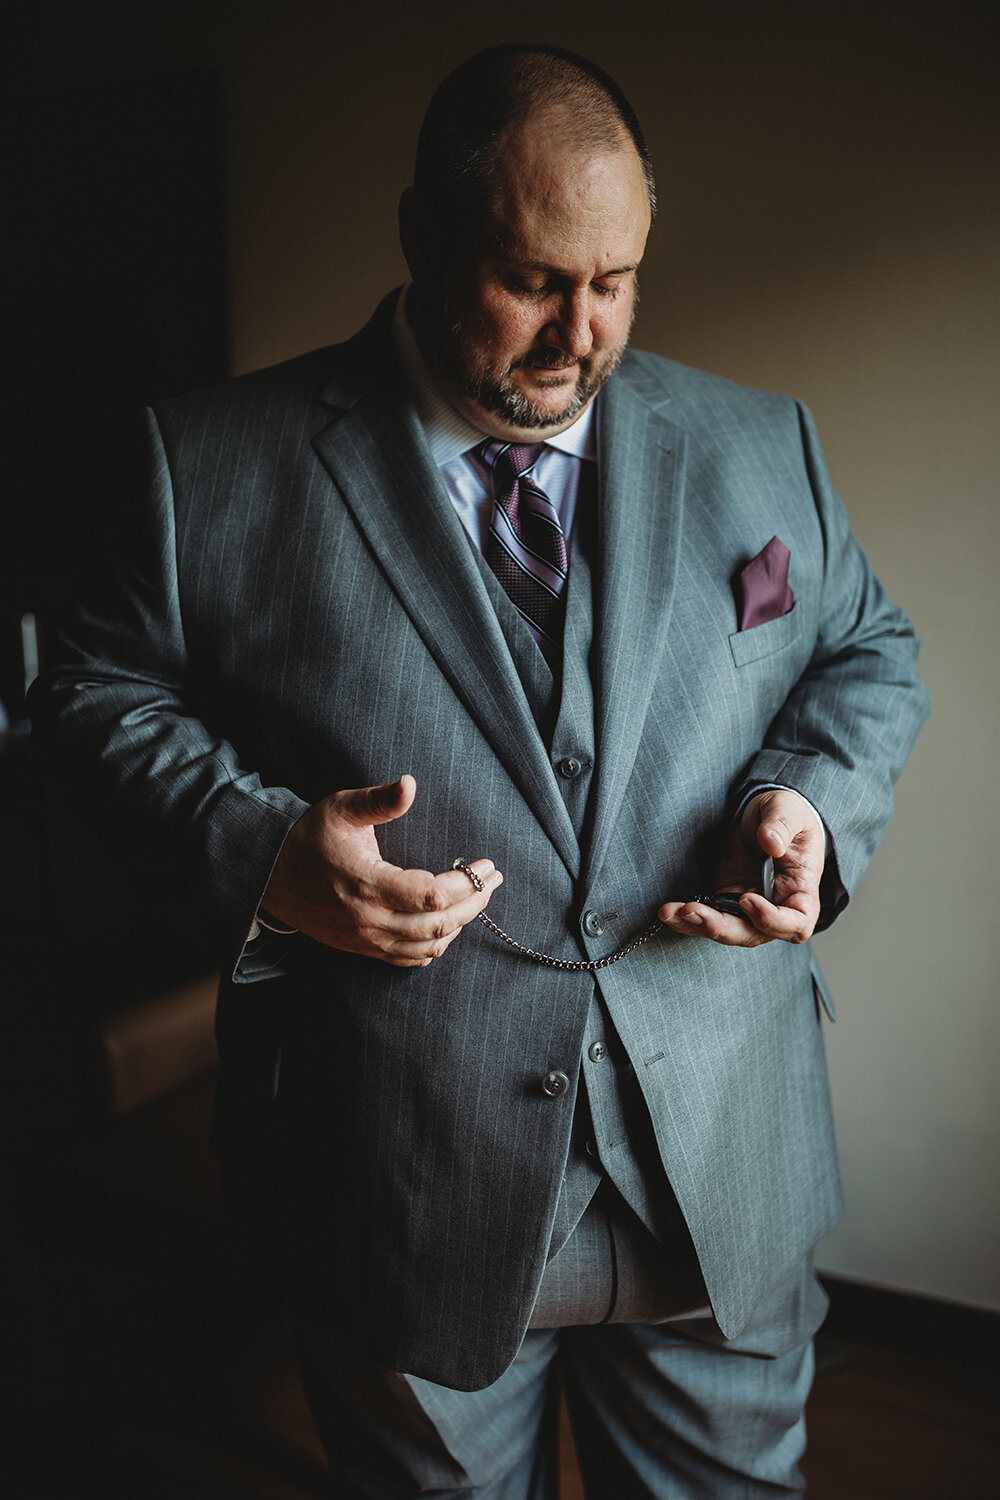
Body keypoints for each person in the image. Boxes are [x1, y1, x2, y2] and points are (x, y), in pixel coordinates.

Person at [31, 42, 929, 1499]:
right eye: (531, 279)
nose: (583, 333)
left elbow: (869, 650)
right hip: (391, 1171)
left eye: (618, 281)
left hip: (721, 1160)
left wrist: (805, 798)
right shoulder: (206, 466)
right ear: (421, 239)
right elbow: (91, 696)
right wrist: (263, 849)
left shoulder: (768, 445)